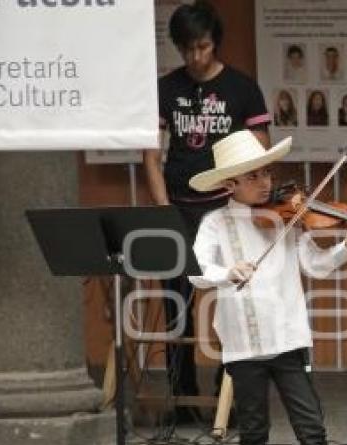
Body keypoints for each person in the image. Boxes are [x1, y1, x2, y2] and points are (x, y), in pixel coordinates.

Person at [187, 130, 347, 445]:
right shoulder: (215, 224)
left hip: (289, 338)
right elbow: (196, 270)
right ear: (230, 183)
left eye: (266, 173)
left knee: (312, 431)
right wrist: (225, 272)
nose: (265, 182)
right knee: (252, 435)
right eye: (254, 176)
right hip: (243, 345)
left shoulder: (288, 219)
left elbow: (317, 264)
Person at [143, 0, 271, 415]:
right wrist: (163, 207)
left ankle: (227, 396)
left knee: (232, 298)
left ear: (214, 41)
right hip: (178, 205)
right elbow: (150, 155)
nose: (196, 57)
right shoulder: (166, 88)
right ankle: (181, 400)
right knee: (175, 302)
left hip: (226, 208)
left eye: (202, 47)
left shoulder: (242, 87)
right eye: (187, 50)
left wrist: (247, 199)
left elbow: (261, 150)